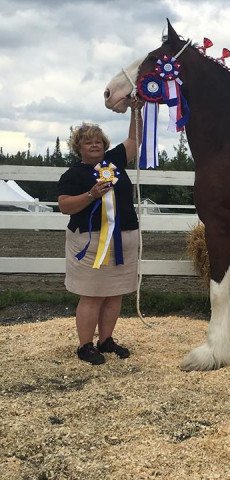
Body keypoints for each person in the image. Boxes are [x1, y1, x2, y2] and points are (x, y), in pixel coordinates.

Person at [58, 102, 143, 365]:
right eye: (88, 143)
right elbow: (64, 206)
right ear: (79, 148)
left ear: (104, 144)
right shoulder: (73, 174)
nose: (94, 145)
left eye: (98, 141)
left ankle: (106, 340)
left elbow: (134, 139)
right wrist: (90, 195)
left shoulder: (115, 160)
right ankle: (85, 345)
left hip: (123, 237)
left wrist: (135, 110)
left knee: (114, 293)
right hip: (90, 241)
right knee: (92, 294)